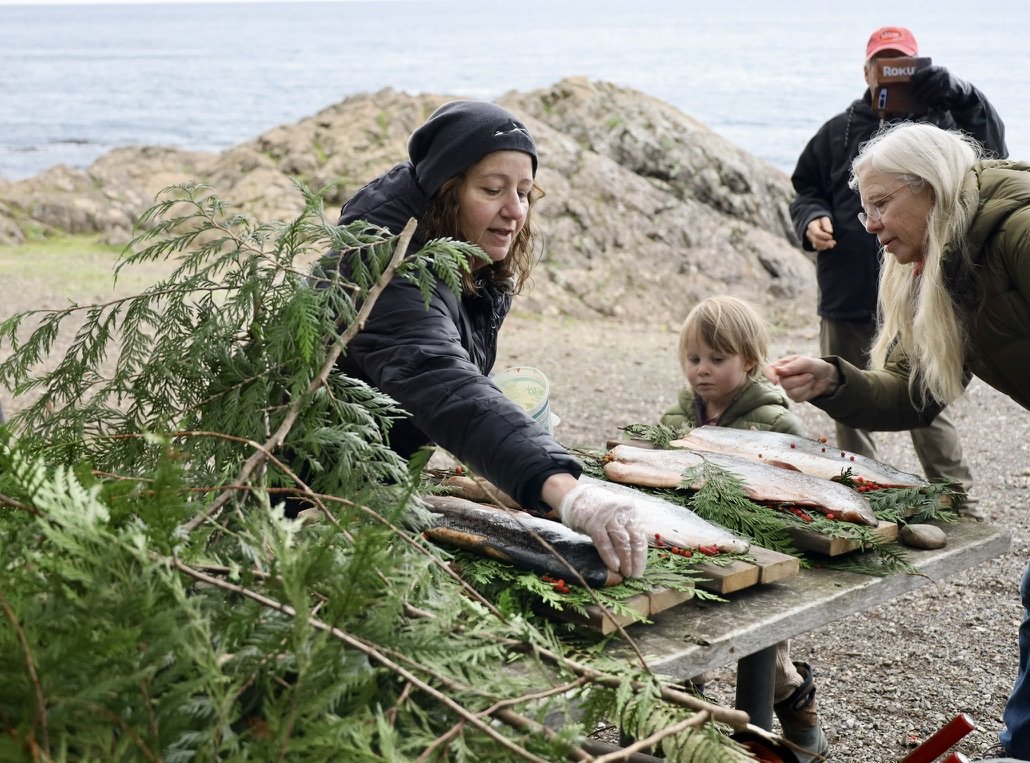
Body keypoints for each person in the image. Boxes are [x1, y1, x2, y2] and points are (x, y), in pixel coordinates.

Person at [765, 121, 1030, 758]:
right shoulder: (936, 265)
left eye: (882, 203)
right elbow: (917, 394)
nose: (870, 223)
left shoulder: (1019, 231)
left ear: (932, 188)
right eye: (864, 207)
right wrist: (835, 380)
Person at [321, 100, 647, 581]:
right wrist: (564, 490)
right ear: (445, 193)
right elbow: (438, 377)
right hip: (307, 496)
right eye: (492, 190)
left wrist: (519, 441)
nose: (514, 211)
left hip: (372, 485)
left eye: (525, 192)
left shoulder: (466, 256)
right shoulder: (384, 267)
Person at [788, 25, 1008, 519]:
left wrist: (963, 95)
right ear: (867, 72)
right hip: (847, 292)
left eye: (902, 64)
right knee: (861, 393)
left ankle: (955, 499)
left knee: (928, 396)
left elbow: (991, 158)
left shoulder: (943, 126)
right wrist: (810, 219)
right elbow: (805, 188)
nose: (892, 74)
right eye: (882, 65)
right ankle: (857, 493)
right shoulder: (837, 131)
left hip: (923, 288)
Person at [660, 296, 829, 762]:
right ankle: (683, 730)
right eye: (693, 359)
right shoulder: (677, 418)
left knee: (767, 665)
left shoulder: (773, 421)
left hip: (758, 559)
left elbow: (802, 486)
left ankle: (799, 710)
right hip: (691, 552)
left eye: (718, 359)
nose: (702, 370)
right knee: (681, 645)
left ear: (750, 362)